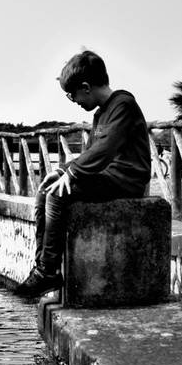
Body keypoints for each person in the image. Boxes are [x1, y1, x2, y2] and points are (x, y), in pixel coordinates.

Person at [15, 49, 151, 297]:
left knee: (57, 195)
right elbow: (92, 153)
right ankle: (43, 267)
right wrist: (61, 171)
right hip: (107, 177)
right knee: (47, 189)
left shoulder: (123, 104)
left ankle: (47, 271)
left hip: (125, 180)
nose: (74, 101)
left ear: (86, 87)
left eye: (72, 95)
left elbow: (105, 149)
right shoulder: (101, 113)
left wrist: (73, 173)